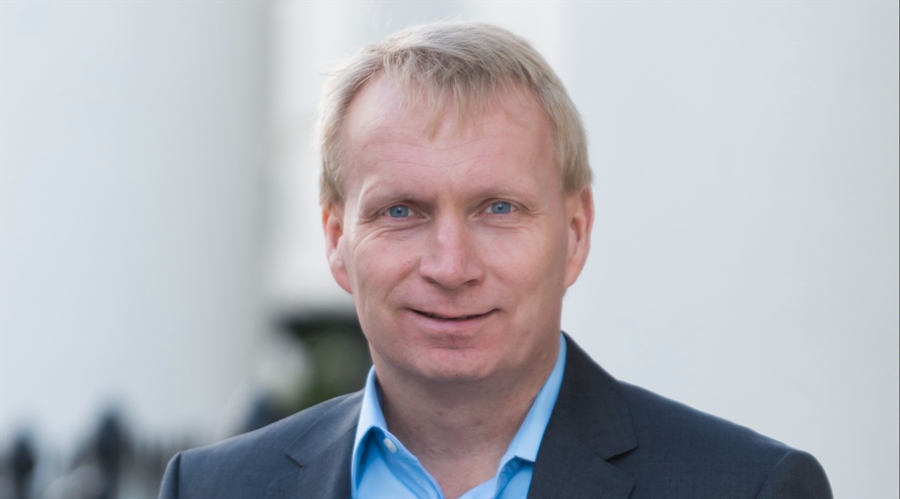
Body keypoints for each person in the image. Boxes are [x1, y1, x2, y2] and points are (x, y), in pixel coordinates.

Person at [159, 22, 832, 499]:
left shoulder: (745, 488)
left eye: (498, 208)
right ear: (336, 238)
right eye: (402, 211)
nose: (452, 266)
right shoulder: (213, 489)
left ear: (576, 232)